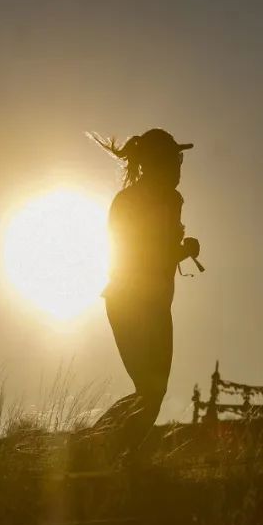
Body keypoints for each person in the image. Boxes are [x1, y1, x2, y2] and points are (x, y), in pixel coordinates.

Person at [86, 128, 201, 462]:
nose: (180, 166)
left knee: (153, 391)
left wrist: (179, 250)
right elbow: (142, 257)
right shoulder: (135, 202)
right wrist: (181, 251)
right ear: (157, 162)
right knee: (151, 390)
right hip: (132, 303)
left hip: (151, 303)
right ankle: (99, 451)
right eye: (174, 158)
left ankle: (111, 454)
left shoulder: (167, 200)